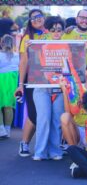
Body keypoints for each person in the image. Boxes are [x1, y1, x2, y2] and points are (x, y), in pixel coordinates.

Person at [31, 16, 65, 160]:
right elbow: (34, 65)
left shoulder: (68, 45)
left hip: (60, 87)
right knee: (44, 119)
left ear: (63, 31)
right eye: (53, 29)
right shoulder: (40, 45)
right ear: (48, 30)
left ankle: (55, 151)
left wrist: (84, 47)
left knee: (57, 120)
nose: (56, 32)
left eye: (59, 29)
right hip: (42, 87)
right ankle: (40, 152)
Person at [15, 9, 48, 157]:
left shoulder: (51, 32)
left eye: (39, 16)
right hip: (32, 80)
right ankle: (24, 142)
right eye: (33, 18)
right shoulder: (27, 37)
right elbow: (23, 61)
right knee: (34, 114)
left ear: (44, 17)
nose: (36, 19)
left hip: (50, 79)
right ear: (30, 21)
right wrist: (21, 84)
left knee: (50, 113)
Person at [0, 35, 19, 138]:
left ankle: (1, 129)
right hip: (12, 81)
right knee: (9, 107)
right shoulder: (16, 56)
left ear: (1, 43)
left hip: (1, 81)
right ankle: (7, 130)